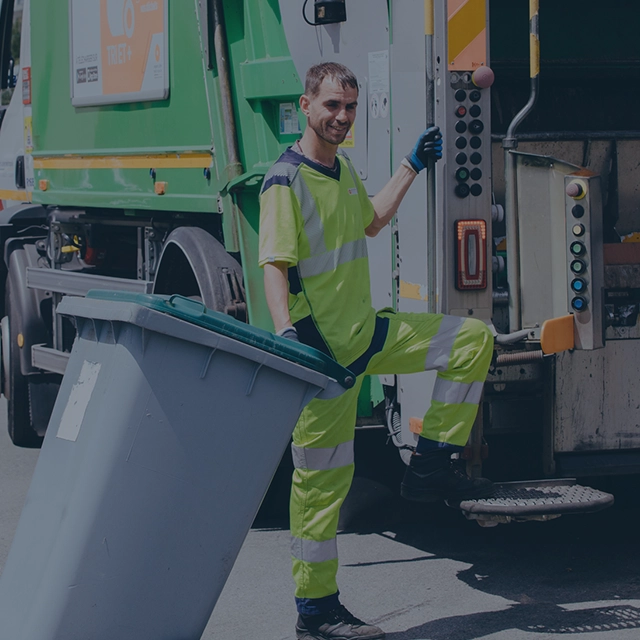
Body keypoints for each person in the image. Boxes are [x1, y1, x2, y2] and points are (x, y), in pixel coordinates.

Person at [258, 62, 494, 640]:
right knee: (320, 488)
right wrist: (289, 335)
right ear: (307, 104)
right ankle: (316, 613)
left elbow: (371, 221)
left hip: (367, 337)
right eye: (332, 106)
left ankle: (430, 466)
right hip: (325, 361)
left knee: (472, 340)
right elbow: (274, 265)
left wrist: (411, 165)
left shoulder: (340, 171)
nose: (341, 117)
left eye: (350, 108)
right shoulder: (284, 181)